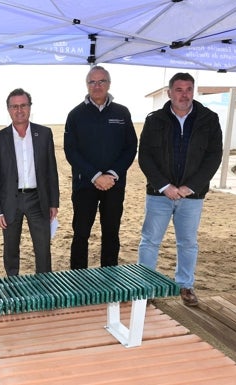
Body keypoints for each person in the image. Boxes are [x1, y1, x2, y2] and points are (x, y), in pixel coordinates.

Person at [137, 72, 223, 307]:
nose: (184, 95)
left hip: (192, 196)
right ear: (169, 92)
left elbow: (214, 156)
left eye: (188, 89)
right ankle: (145, 288)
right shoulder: (155, 119)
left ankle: (185, 286)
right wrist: (165, 186)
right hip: (159, 194)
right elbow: (144, 155)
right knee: (150, 241)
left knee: (187, 243)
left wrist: (190, 187)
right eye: (179, 89)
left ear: (193, 91)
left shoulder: (209, 119)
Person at [63, 65, 138, 269]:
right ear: (86, 85)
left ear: (109, 84)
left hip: (114, 184)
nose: (97, 86)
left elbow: (131, 147)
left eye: (101, 81)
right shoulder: (75, 115)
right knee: (80, 234)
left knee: (111, 233)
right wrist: (95, 176)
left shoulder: (122, 113)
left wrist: (112, 175)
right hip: (84, 185)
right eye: (92, 82)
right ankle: (78, 279)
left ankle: (109, 277)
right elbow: (71, 151)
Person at [0, 88, 60, 276]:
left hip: (38, 199)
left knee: (43, 249)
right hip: (10, 201)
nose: (19, 110)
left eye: (23, 105)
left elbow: (51, 170)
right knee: (11, 250)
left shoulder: (44, 134)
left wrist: (54, 202)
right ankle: (13, 288)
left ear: (29, 107)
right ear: (8, 109)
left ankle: (44, 289)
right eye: (14, 106)